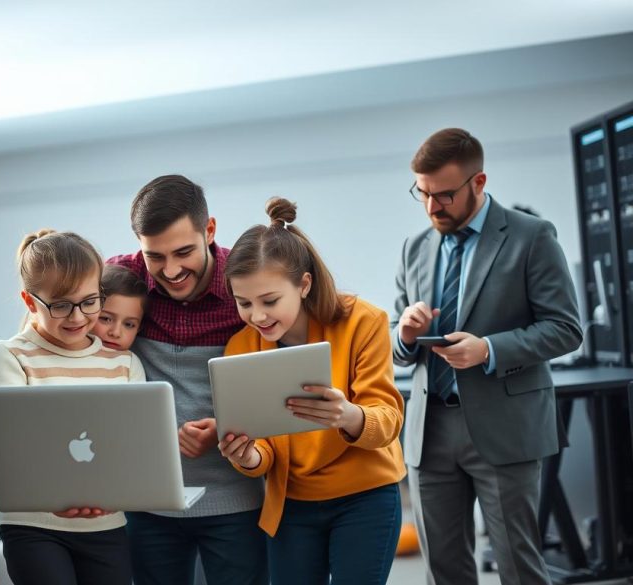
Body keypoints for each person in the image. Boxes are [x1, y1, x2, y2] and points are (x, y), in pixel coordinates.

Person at [392, 128, 582, 585]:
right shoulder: (414, 247)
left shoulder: (531, 236)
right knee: (444, 569)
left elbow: (565, 328)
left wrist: (489, 350)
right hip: (428, 430)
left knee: (518, 565)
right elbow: (399, 346)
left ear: (479, 183)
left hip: (504, 425)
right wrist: (405, 334)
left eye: (445, 195)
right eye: (423, 193)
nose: (433, 206)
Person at [217, 197, 405, 585]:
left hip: (365, 498)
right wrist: (249, 456)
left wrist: (349, 415)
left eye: (270, 301)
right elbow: (263, 446)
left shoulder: (364, 321)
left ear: (304, 285)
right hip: (291, 505)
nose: (258, 316)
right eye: (244, 303)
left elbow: (387, 420)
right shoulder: (240, 347)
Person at [108, 175, 268, 585]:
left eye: (183, 252)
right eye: (155, 256)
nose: (172, 270)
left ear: (209, 230)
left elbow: (281, 384)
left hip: (236, 497)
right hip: (147, 503)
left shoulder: (247, 284)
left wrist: (228, 426)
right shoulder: (120, 282)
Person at [0, 229, 145, 585]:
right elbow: (0, 452)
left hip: (107, 524)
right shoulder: (10, 356)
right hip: (33, 526)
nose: (77, 317)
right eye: (60, 305)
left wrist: (113, 493)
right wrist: (51, 496)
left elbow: (136, 449)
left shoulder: (125, 364)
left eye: (89, 301)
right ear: (29, 301)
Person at [91, 263, 148, 352]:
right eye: (106, 319)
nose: (115, 333)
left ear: (139, 328)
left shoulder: (130, 363)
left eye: (129, 324)